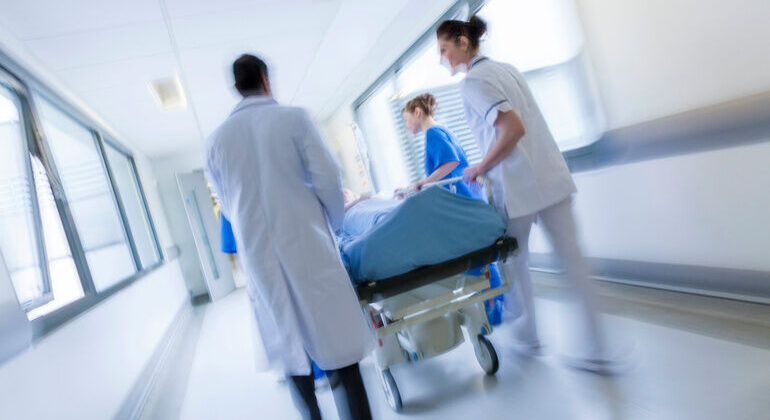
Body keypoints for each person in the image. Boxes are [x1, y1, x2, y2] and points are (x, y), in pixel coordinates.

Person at [436, 16, 613, 373]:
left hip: (518, 190)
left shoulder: (474, 81)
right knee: (575, 265)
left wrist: (479, 167)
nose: (442, 58)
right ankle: (599, 349)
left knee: (516, 266)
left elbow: (512, 127)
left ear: (462, 42)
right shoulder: (507, 69)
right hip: (551, 179)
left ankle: (529, 335)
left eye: (444, 49)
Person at [204, 54, 373, 419]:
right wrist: (335, 223)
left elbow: (228, 206)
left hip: (259, 258)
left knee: (289, 352)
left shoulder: (215, 141)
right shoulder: (293, 118)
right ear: (265, 78)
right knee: (339, 349)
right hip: (308, 246)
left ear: (236, 88)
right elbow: (328, 178)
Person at [401, 92, 506, 324]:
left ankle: (493, 305)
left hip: (460, 199)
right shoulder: (442, 130)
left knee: (473, 255)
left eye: (407, 119)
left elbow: (451, 163)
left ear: (418, 112)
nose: (407, 126)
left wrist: (422, 183)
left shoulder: (433, 133)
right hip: (466, 197)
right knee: (478, 254)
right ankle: (494, 303)